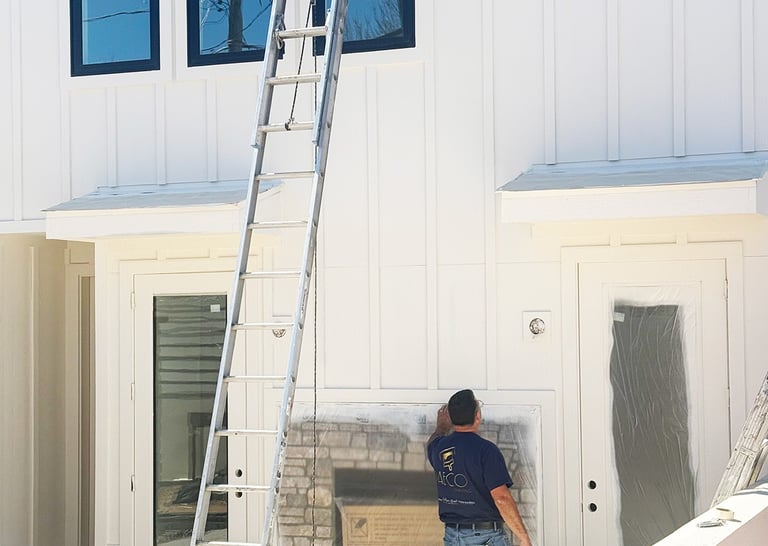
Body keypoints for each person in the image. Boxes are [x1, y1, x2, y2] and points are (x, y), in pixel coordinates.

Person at [426, 389, 533, 546]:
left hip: (453, 537)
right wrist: (523, 537)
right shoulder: (486, 451)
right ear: (477, 416)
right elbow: (501, 498)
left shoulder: (439, 447)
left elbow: (432, 441)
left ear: (451, 418)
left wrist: (441, 427)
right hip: (485, 538)